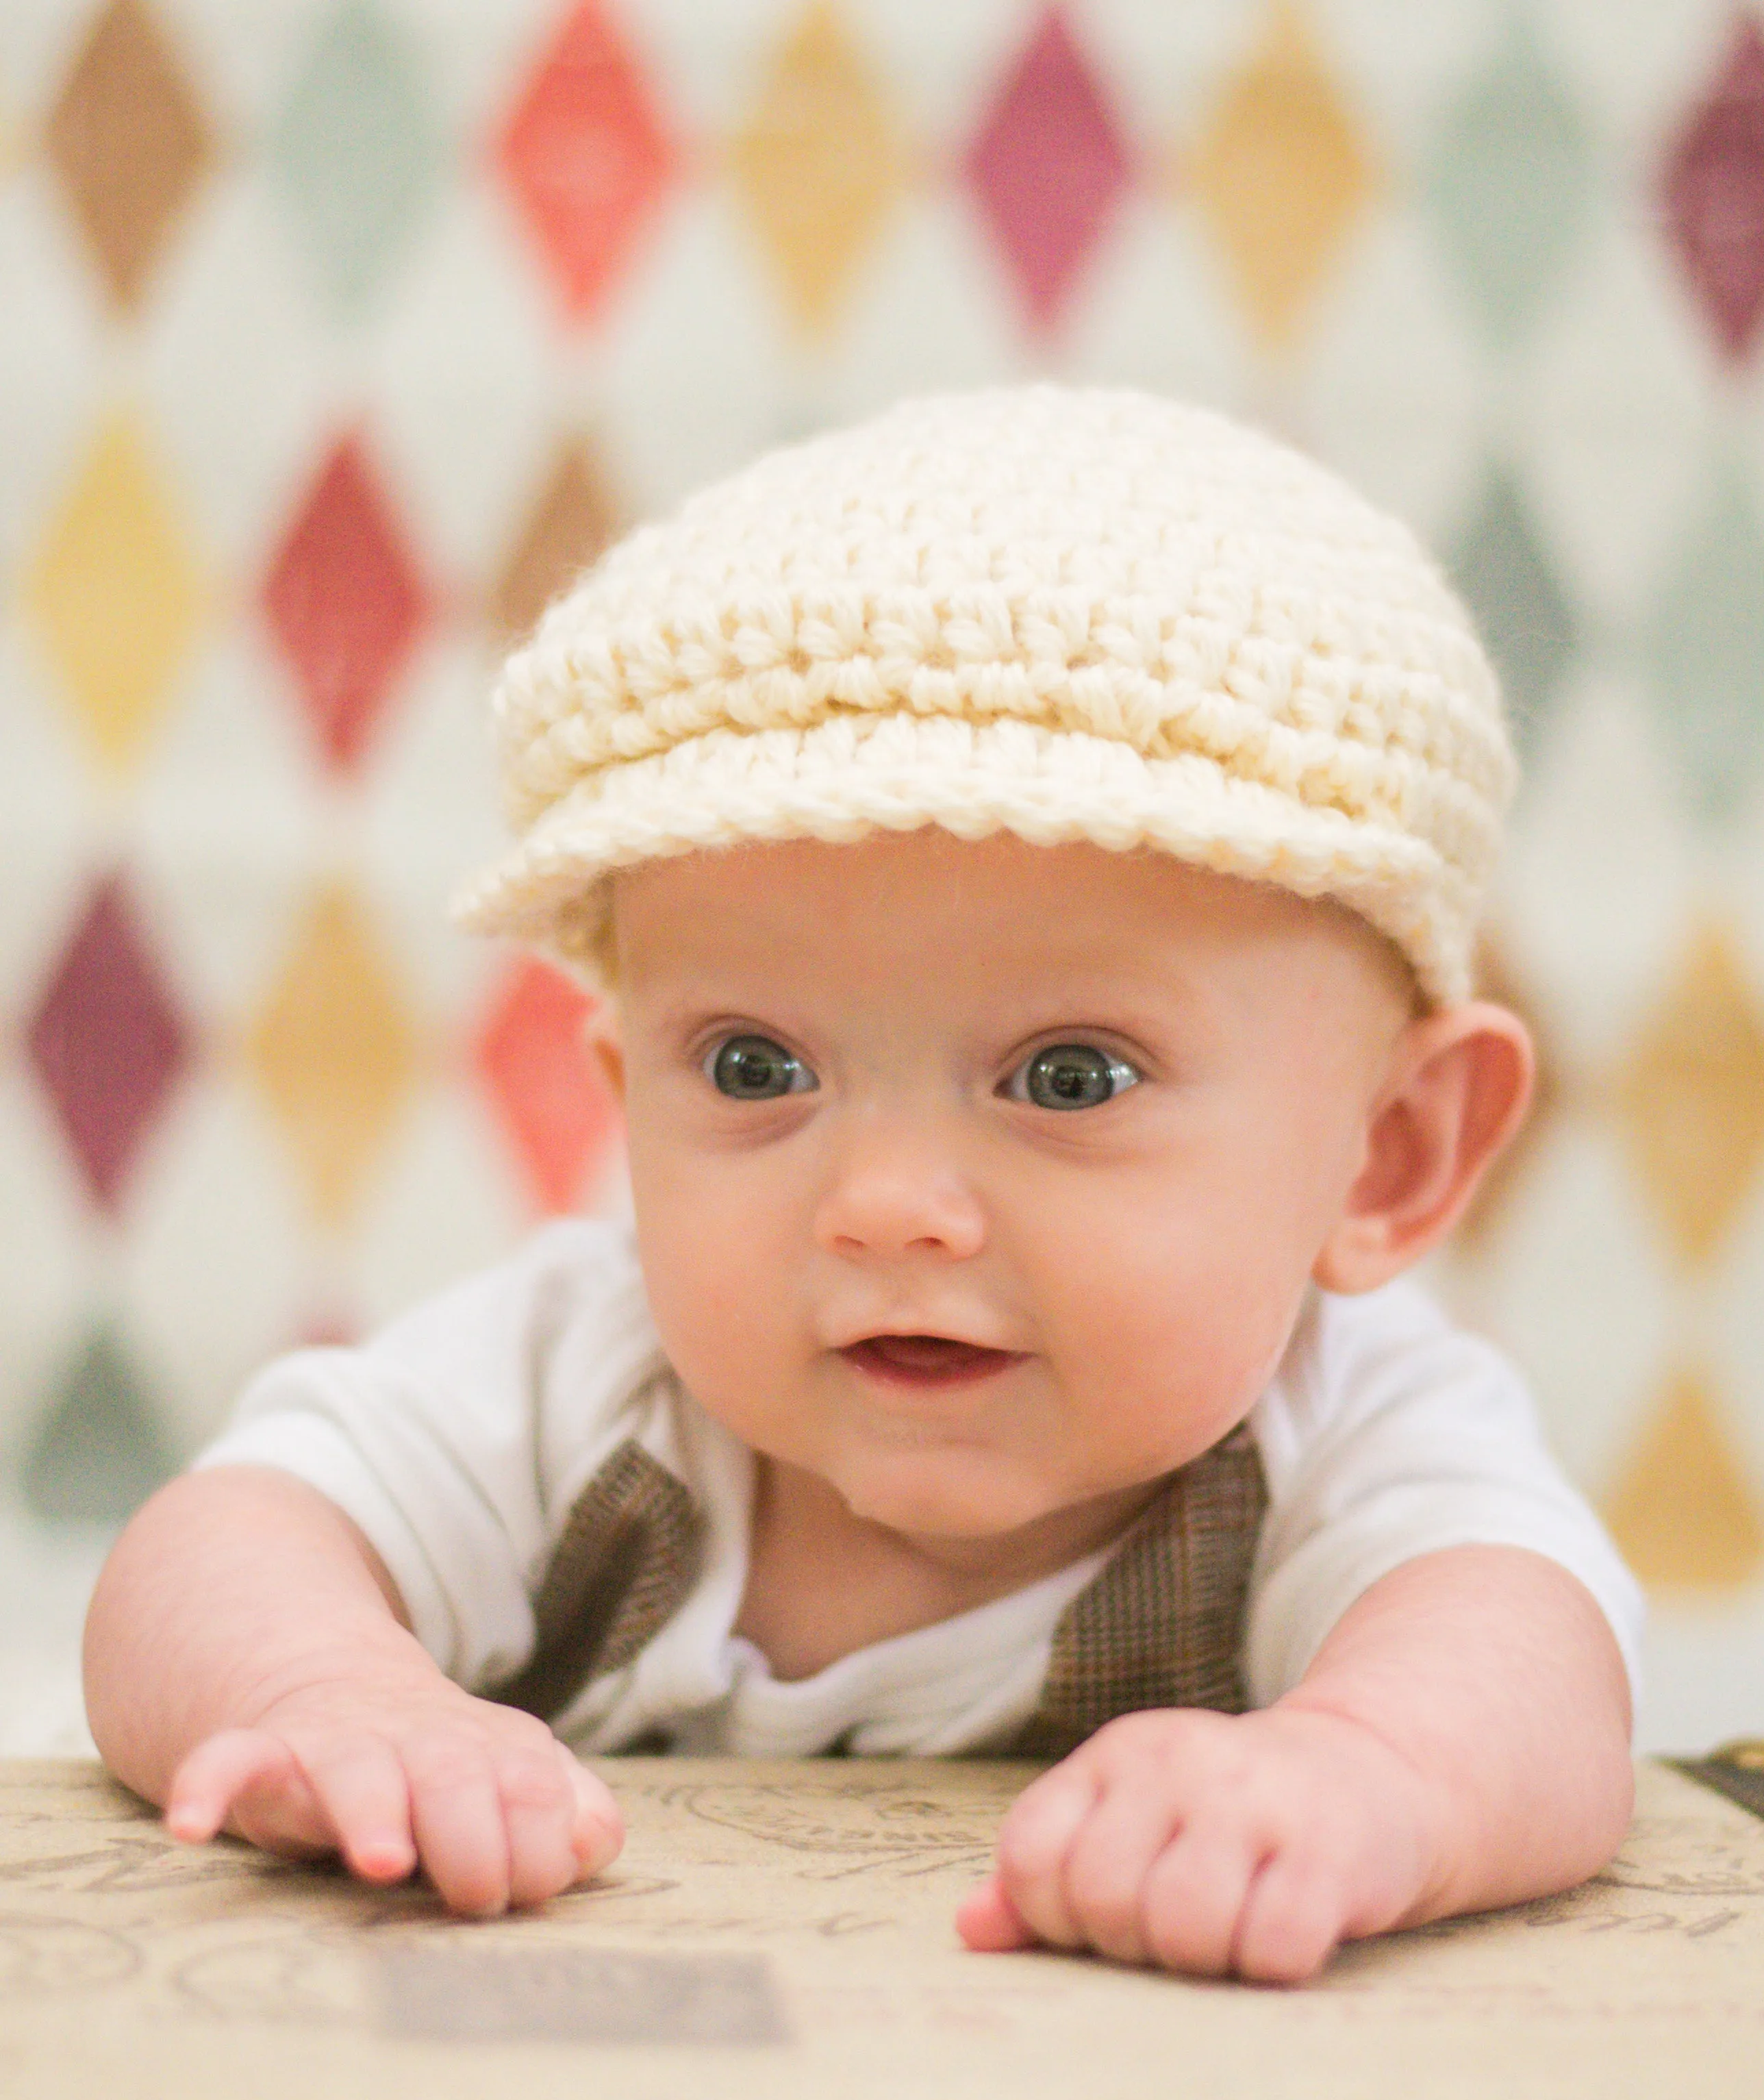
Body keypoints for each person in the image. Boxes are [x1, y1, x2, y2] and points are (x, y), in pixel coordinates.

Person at [84, 388, 1639, 1984]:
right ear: (626, 1103)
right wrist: (328, 1684)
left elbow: (1540, 1679)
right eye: (757, 1068)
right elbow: (218, 1536)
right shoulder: (583, 1383)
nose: (888, 1205)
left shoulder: (1349, 1428)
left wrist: (1365, 1771)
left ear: (1389, 1153)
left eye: (1070, 1076)